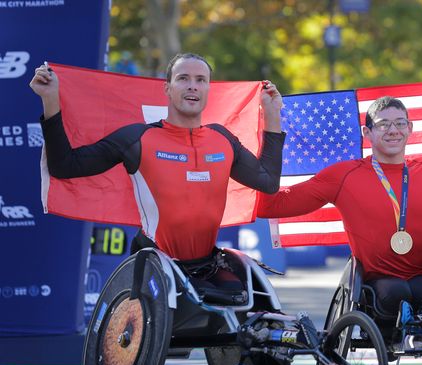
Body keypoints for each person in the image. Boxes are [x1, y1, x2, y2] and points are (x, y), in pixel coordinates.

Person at [30, 53, 285, 301]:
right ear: (167, 88)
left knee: (246, 305)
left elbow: (267, 182)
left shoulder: (223, 139)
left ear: (209, 89)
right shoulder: (136, 139)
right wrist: (50, 101)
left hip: (206, 266)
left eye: (200, 80)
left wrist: (272, 115)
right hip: (154, 262)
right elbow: (65, 166)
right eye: (183, 78)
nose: (192, 87)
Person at [257, 96, 422, 322]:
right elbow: (273, 205)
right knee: (396, 293)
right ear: (367, 133)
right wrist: (272, 119)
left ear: (410, 129)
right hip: (377, 283)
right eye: (383, 124)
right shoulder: (343, 176)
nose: (393, 130)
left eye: (400, 123)